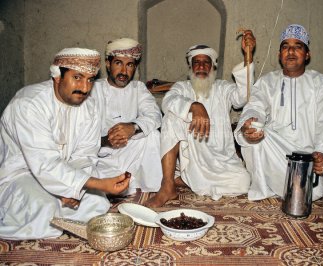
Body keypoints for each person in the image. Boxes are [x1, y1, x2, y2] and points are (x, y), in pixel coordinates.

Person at [0, 48, 131, 240]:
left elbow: (84, 156)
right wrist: (92, 184)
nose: (85, 88)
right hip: (22, 176)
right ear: (57, 77)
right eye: (77, 77)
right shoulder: (29, 104)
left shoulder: (89, 106)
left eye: (90, 79)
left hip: (64, 172)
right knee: (47, 215)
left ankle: (61, 213)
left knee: (98, 205)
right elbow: (45, 164)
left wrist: (73, 189)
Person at [145, 31, 256, 207]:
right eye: (197, 63)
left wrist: (248, 58)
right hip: (194, 153)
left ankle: (185, 179)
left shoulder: (223, 88)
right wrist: (195, 106)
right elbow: (168, 102)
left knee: (244, 181)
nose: (202, 67)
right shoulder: (182, 87)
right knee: (172, 117)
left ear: (213, 67)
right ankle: (167, 185)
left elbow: (242, 97)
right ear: (191, 67)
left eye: (206, 62)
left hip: (220, 158)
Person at [235, 24, 323, 201]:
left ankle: (287, 184)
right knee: (255, 134)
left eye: (297, 47)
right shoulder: (267, 82)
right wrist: (249, 125)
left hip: (306, 158)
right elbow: (254, 107)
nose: (290, 51)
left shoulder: (321, 83)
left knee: (315, 193)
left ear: (307, 55)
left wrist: (322, 153)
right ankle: (266, 185)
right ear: (279, 55)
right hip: (275, 153)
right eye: (285, 47)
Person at [92, 38, 162, 194]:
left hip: (129, 152)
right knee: (91, 189)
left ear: (135, 67)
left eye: (129, 65)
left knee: (153, 136)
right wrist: (106, 140)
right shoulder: (92, 90)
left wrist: (134, 127)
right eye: (118, 63)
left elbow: (155, 115)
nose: (124, 71)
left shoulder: (138, 88)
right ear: (108, 64)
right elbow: (80, 135)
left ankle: (151, 189)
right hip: (100, 157)